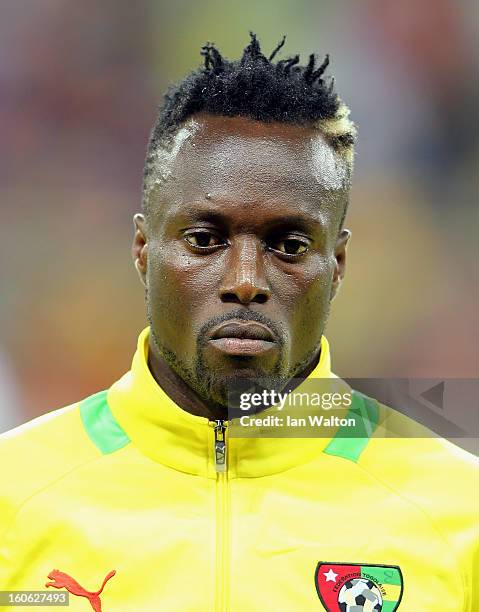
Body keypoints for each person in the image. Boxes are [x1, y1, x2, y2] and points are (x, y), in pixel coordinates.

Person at [1, 34, 478, 611]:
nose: (246, 280)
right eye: (204, 239)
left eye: (290, 244)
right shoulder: (15, 497)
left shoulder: (458, 512)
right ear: (143, 249)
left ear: (339, 264)